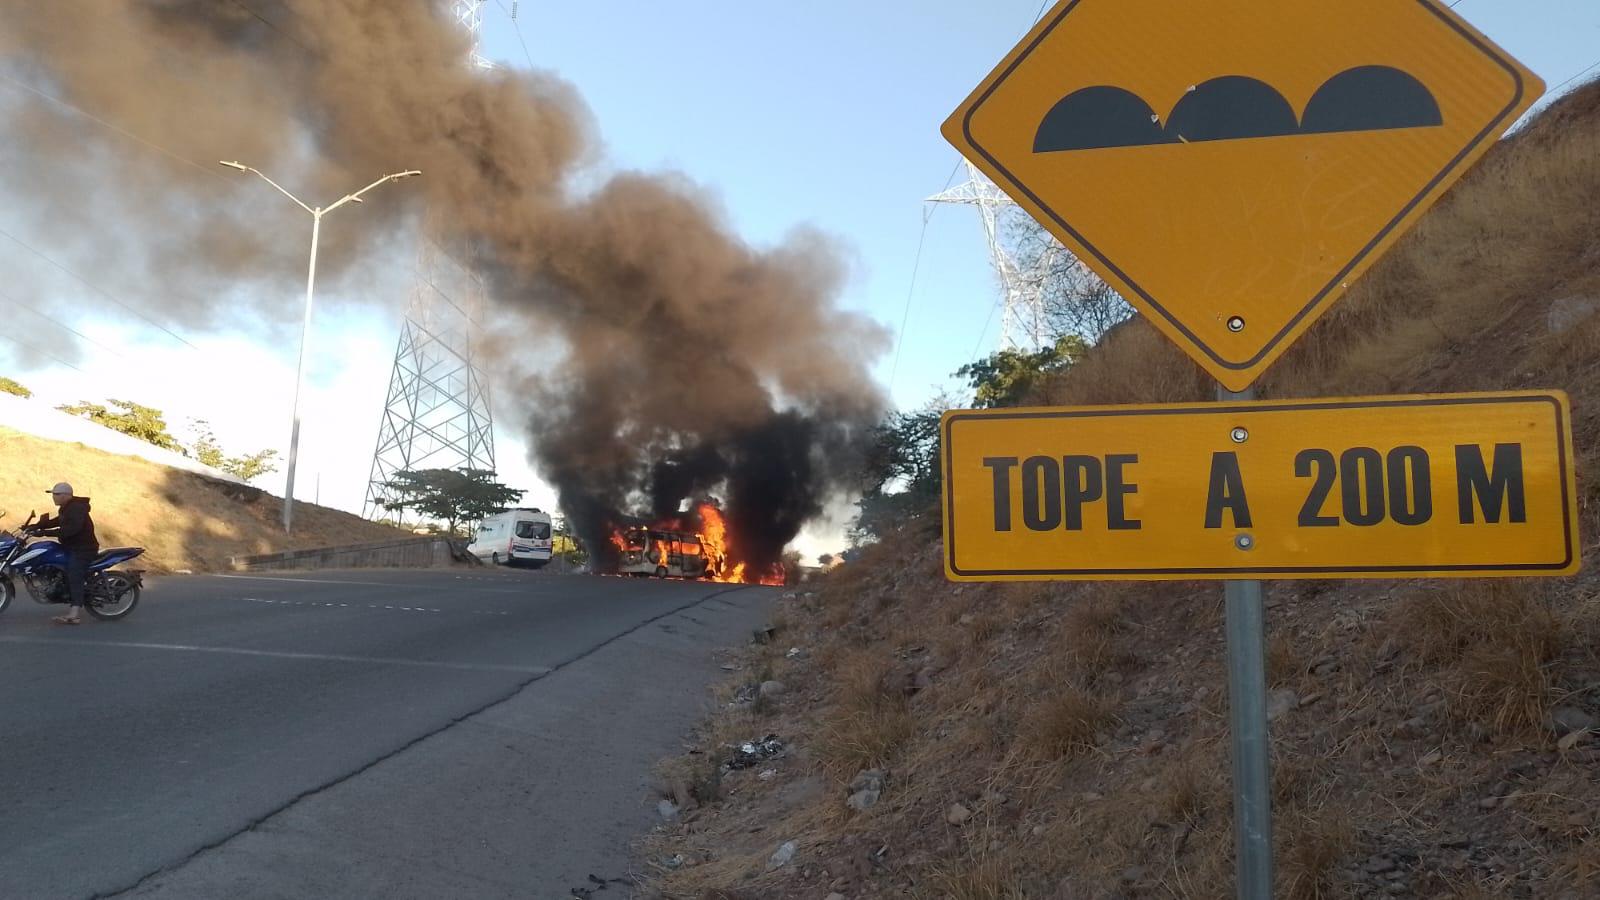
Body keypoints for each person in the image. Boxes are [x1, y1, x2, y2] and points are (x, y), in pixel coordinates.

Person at [33, 482, 97, 625]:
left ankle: (74, 614)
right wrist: (35, 526)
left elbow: (71, 529)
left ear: (67, 495)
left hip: (83, 549)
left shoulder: (76, 508)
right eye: (53, 494)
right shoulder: (67, 508)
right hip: (71, 547)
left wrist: (45, 533)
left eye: (57, 494)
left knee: (74, 573)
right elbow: (58, 521)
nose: (54, 497)